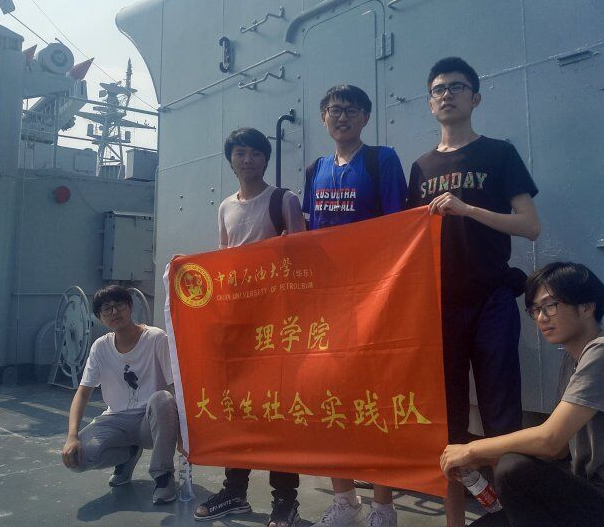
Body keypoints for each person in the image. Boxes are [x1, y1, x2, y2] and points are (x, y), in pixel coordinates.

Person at [440, 262, 604, 527]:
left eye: (550, 306)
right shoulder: (573, 361)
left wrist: (471, 449)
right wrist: (480, 459)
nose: (541, 318)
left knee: (512, 468)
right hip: (600, 501)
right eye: (535, 309)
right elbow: (558, 451)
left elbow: (550, 439)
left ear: (586, 307)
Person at [405, 57, 540, 526]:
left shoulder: (500, 154)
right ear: (430, 103)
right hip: (439, 306)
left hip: (491, 300)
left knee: (502, 414)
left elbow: (530, 226)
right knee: (447, 421)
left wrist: (468, 210)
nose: (446, 94)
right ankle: (456, 520)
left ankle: (511, 515)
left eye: (456, 87)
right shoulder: (421, 168)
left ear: (475, 98)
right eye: (438, 89)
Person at [302, 84, 408, 527]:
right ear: (323, 118)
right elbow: (310, 235)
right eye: (333, 110)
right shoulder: (316, 169)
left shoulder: (382, 161)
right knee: (330, 398)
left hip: (374, 300)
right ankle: (345, 501)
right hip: (329, 304)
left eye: (350, 110)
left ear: (365, 117)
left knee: (377, 401)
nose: (341, 117)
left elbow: (400, 229)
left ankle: (384, 506)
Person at [193, 127, 307, 527]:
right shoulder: (226, 206)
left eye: (255, 153)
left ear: (265, 159)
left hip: (276, 326)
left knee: (278, 412)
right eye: (240, 153)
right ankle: (235, 491)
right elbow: (223, 263)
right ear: (231, 160)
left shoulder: (284, 200)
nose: (247, 159)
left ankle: (285, 500)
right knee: (238, 408)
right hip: (238, 325)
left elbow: (302, 258)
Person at [60, 284, 180, 505]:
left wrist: (183, 431)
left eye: (119, 305)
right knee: (77, 459)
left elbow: (174, 387)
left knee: (163, 398)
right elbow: (83, 393)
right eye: (106, 309)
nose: (114, 312)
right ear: (99, 317)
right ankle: (128, 454)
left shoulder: (156, 338)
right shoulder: (100, 347)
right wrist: (72, 436)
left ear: (130, 307)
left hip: (150, 421)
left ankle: (163, 476)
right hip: (116, 420)